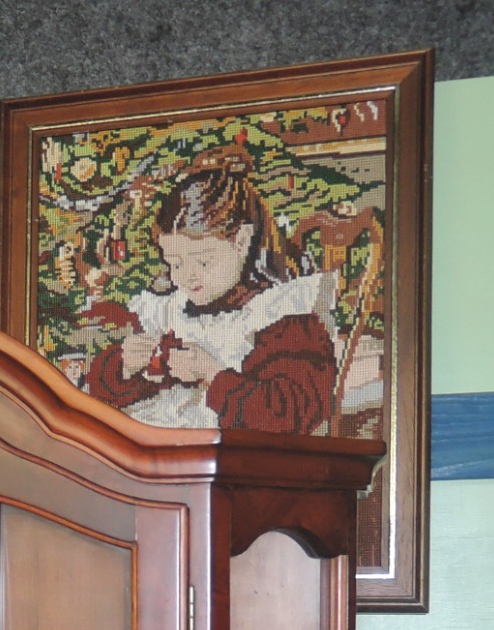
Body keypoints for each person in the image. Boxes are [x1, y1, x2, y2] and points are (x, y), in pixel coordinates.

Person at [82, 145, 339, 433]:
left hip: (231, 451)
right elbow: (107, 391)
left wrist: (212, 374)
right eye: (175, 263)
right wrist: (127, 366)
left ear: (241, 240)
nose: (187, 276)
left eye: (203, 261)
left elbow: (289, 414)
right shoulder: (173, 309)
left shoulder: (281, 316)